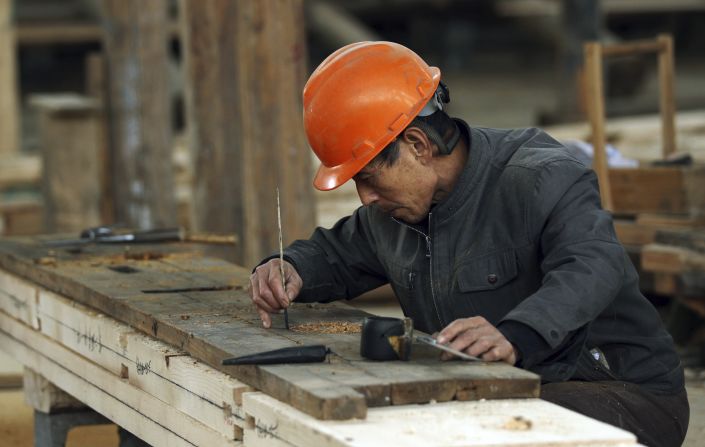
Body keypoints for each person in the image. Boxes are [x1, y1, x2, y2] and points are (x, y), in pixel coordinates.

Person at [248, 41, 689, 447]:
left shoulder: (540, 176)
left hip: (622, 393)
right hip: (498, 390)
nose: (366, 198)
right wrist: (289, 268)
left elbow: (593, 265)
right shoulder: (394, 213)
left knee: (474, 431)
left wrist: (518, 335)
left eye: (368, 177)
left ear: (417, 145)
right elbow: (335, 253)